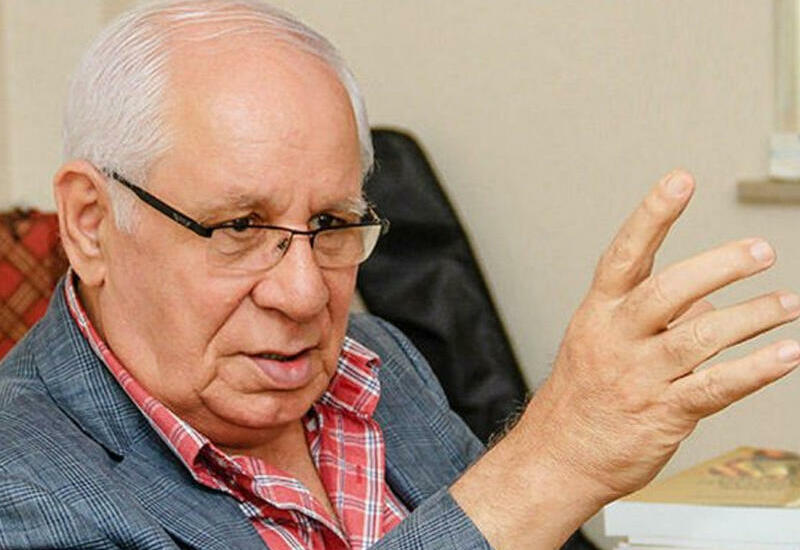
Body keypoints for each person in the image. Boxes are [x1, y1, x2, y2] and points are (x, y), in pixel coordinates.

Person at [0, 1, 797, 549]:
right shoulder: (21, 481)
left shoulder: (376, 359)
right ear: (91, 223)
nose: (305, 295)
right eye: (240, 228)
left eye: (331, 225)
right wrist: (553, 465)